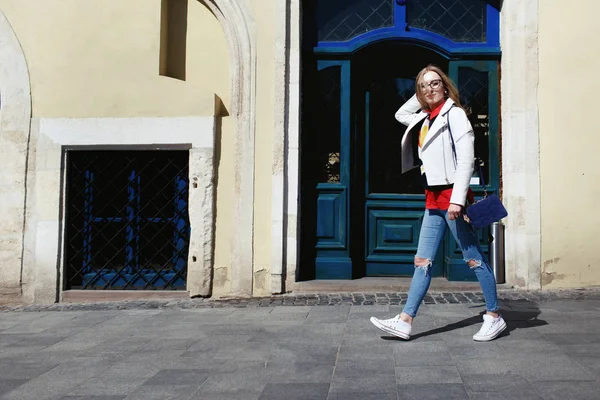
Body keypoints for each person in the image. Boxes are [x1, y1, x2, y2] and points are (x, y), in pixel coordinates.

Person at [369, 65, 506, 342]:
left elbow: (466, 159)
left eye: (434, 83)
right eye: (423, 86)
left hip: (452, 198)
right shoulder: (424, 117)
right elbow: (400, 113)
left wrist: (457, 200)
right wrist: (421, 88)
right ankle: (405, 321)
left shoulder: (454, 114)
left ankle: (494, 316)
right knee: (422, 261)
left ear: (445, 86)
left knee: (473, 259)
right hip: (432, 198)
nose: (429, 89)